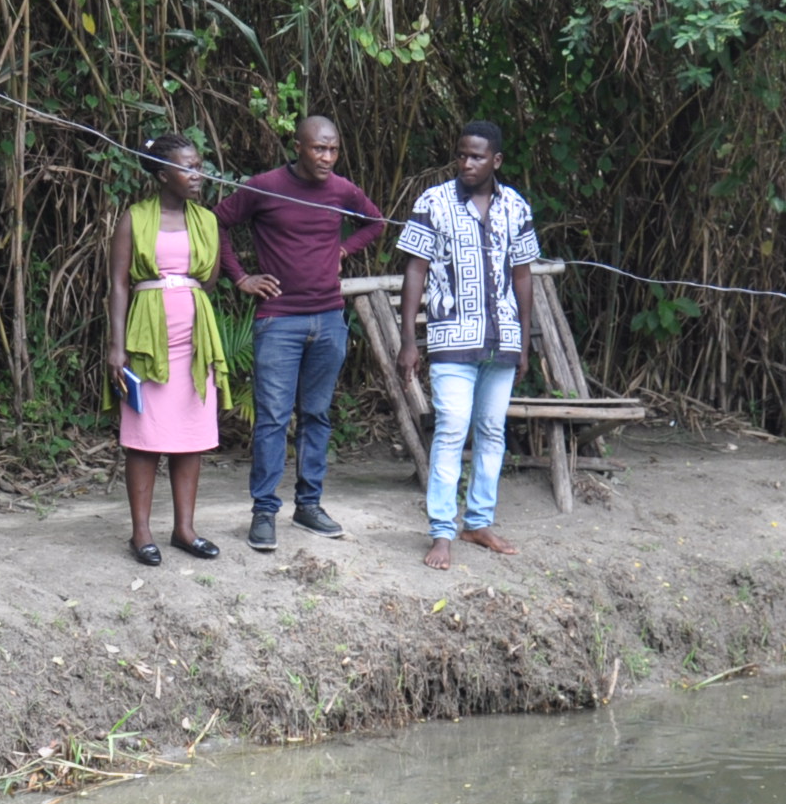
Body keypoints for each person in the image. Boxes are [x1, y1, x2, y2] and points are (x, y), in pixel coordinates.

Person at [215, 113, 392, 551]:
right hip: (278, 320)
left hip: (329, 318)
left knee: (316, 415)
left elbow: (376, 222)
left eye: (333, 149)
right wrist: (240, 277)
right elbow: (215, 221)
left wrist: (343, 250)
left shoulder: (341, 189)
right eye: (318, 148)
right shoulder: (266, 186)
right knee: (273, 418)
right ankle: (264, 512)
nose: (326, 157)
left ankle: (309, 506)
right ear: (298, 146)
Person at [394, 120, 539, 571]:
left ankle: (477, 522)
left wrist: (525, 341)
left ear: (495, 160)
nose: (467, 163)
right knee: (453, 428)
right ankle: (441, 531)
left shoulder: (516, 206)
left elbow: (522, 276)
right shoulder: (433, 202)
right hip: (451, 341)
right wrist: (408, 340)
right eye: (461, 155)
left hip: (503, 340)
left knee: (493, 431)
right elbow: (415, 270)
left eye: (477, 157)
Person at [112, 136, 231, 565]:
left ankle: (185, 529)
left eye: (200, 165)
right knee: (144, 438)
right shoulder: (135, 218)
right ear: (163, 174)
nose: (198, 174)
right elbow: (120, 284)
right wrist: (116, 347)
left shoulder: (207, 220)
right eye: (187, 168)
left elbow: (210, 280)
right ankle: (141, 532)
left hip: (195, 341)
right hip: (146, 339)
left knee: (190, 437)